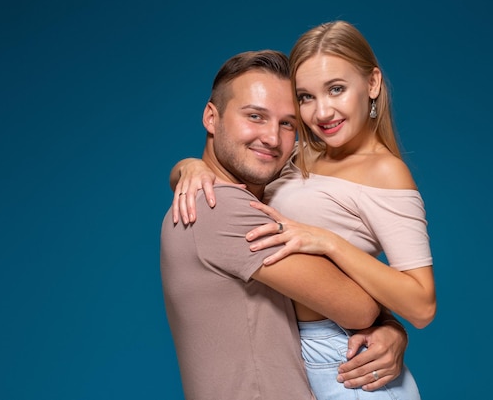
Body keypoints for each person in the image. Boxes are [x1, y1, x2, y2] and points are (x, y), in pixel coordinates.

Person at [170, 21, 436, 400]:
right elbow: (234, 175)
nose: (322, 111)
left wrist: (329, 243)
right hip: (303, 356)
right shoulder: (297, 155)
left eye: (337, 89)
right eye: (306, 97)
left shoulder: (385, 171)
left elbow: (422, 304)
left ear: (373, 84)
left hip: (347, 364)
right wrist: (188, 166)